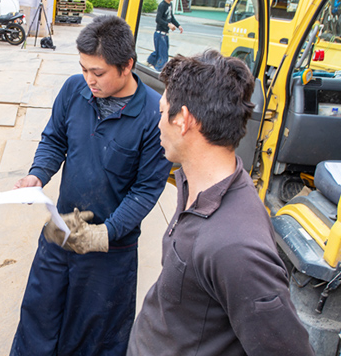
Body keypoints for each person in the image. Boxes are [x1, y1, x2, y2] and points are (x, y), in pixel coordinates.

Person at [127, 50, 314, 355]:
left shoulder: (235, 247)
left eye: (162, 112)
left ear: (184, 120)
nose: (158, 121)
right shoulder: (194, 185)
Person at [10, 15, 172, 355]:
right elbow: (54, 140)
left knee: (92, 336)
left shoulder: (153, 116)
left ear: (127, 66)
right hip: (61, 229)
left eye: (97, 73)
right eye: (84, 69)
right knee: (39, 321)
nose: (88, 80)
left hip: (110, 251)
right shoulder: (74, 89)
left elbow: (145, 191)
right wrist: (37, 175)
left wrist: (106, 234)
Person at [147, 0, 183, 71]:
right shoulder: (162, 5)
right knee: (163, 56)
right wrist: (168, 24)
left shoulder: (170, 5)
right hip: (160, 34)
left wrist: (178, 25)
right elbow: (158, 19)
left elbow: (171, 17)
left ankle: (149, 63)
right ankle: (158, 71)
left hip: (165, 34)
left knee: (159, 52)